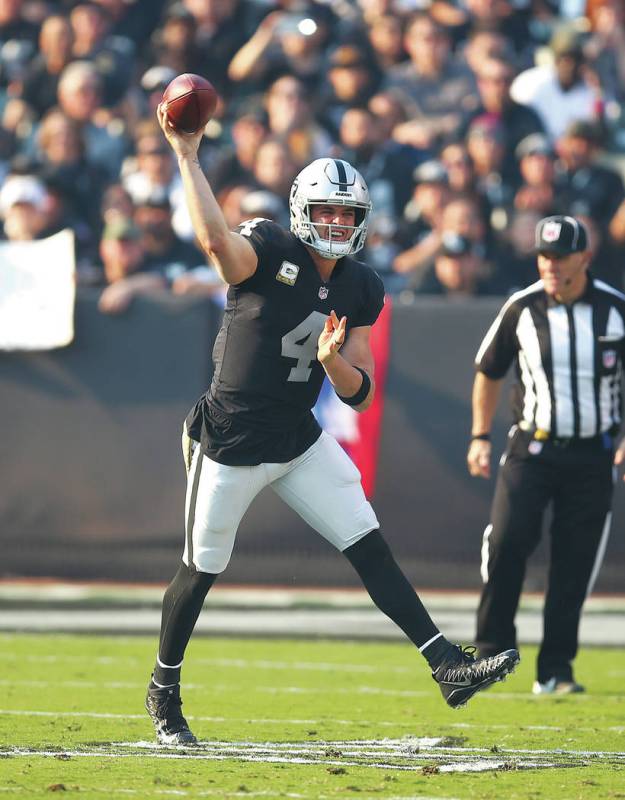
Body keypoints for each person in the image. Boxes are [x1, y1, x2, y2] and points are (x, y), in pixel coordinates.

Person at [144, 105, 520, 746]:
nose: (337, 223)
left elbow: (362, 393)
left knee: (367, 541)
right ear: (301, 210)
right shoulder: (266, 249)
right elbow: (215, 244)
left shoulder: (361, 286)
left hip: (297, 437)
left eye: (347, 214)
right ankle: (163, 688)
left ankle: (447, 666)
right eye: (326, 211)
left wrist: (335, 364)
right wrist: (187, 154)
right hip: (231, 438)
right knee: (202, 566)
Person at [468, 214, 625, 695]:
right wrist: (480, 435)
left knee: (574, 565)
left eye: (560, 256)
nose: (551, 265)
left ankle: (555, 669)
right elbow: (489, 370)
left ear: (585, 258)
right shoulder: (522, 307)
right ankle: (492, 652)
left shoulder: (616, 310)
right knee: (508, 544)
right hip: (531, 448)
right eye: (544, 256)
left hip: (594, 456)